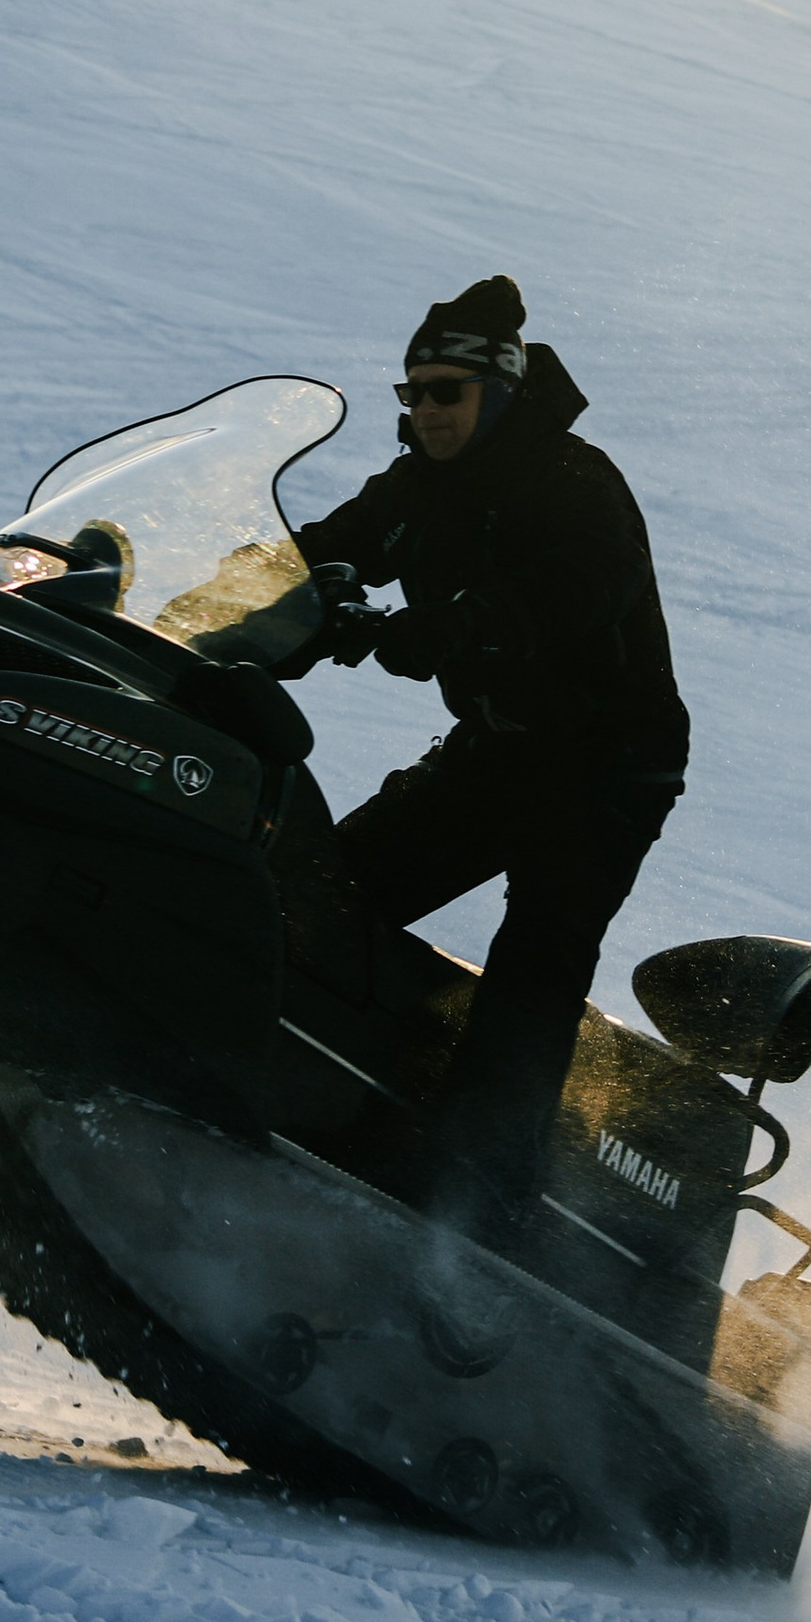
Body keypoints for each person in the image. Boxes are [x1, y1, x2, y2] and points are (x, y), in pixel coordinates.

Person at [294, 275, 689, 1243]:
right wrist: (226, 592)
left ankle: (477, 1215)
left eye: (446, 391)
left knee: (536, 968)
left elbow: (569, 595)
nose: (425, 409)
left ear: (501, 388)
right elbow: (321, 550)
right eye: (412, 391)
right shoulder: (413, 492)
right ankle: (327, 1094)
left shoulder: (573, 482)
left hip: (605, 769)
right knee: (322, 892)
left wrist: (452, 629)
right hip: (498, 753)